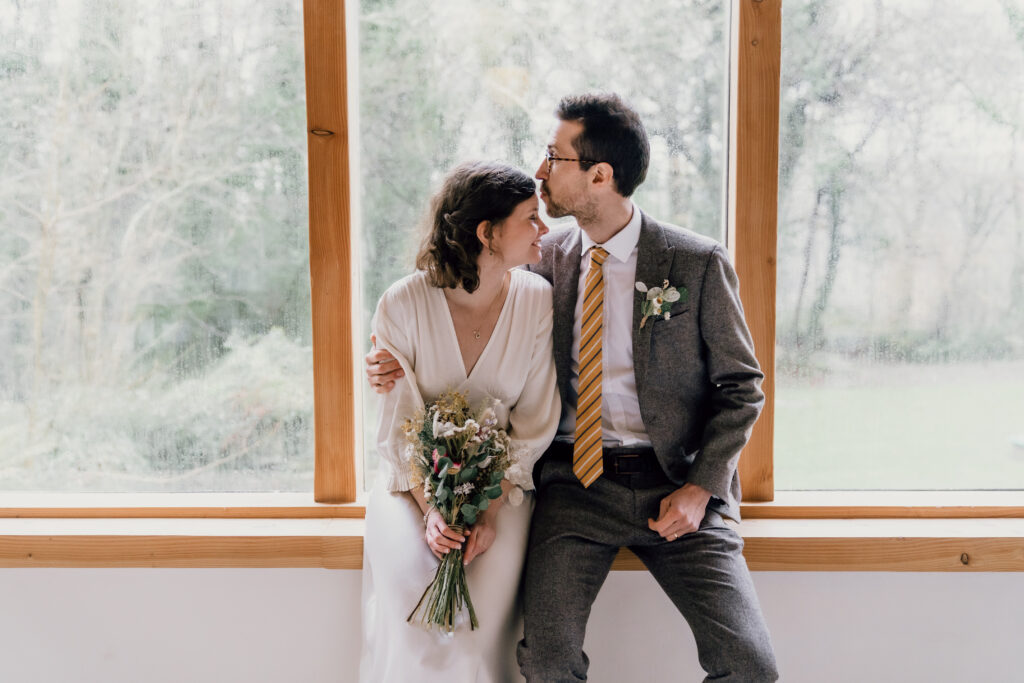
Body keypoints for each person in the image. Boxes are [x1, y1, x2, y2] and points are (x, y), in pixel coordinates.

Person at [368, 94, 778, 682]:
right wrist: (385, 361)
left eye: (552, 156)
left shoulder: (696, 263)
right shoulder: (540, 262)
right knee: (548, 661)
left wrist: (699, 489)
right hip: (576, 487)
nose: (539, 171)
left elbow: (742, 387)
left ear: (600, 175)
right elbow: (460, 299)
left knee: (749, 665)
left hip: (679, 486)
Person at [359, 161, 560, 683]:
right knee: (418, 625)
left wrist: (486, 510)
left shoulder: (537, 300)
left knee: (474, 632)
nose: (544, 229)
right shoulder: (402, 302)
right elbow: (398, 424)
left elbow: (534, 421)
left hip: (503, 495)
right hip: (410, 491)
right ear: (487, 233)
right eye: (530, 218)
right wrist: (433, 511)